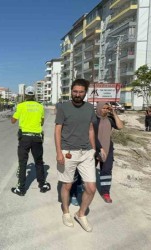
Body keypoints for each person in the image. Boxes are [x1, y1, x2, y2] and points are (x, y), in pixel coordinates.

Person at [54, 78, 97, 232]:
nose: (77, 94)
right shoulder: (63, 107)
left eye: (81, 92)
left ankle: (81, 214)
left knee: (91, 188)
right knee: (67, 185)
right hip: (68, 152)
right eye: (75, 91)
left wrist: (93, 149)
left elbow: (91, 129)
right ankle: (66, 212)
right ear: (71, 91)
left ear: (85, 93)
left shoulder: (90, 108)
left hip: (86, 152)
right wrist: (59, 152)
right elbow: (58, 130)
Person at [11, 86, 51, 196]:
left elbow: (13, 121)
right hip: (37, 138)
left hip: (24, 138)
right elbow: (41, 122)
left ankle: (21, 188)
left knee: (23, 163)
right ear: (34, 95)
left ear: (25, 95)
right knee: (39, 162)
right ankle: (42, 185)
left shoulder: (20, 106)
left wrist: (19, 114)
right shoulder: (40, 106)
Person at [93, 102, 124, 203]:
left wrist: (114, 113)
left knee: (106, 170)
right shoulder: (93, 119)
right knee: (88, 169)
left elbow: (120, 127)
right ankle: (82, 189)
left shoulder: (110, 120)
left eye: (107, 108)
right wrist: (98, 148)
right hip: (94, 148)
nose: (106, 110)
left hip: (108, 148)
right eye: (103, 108)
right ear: (99, 108)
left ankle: (105, 192)